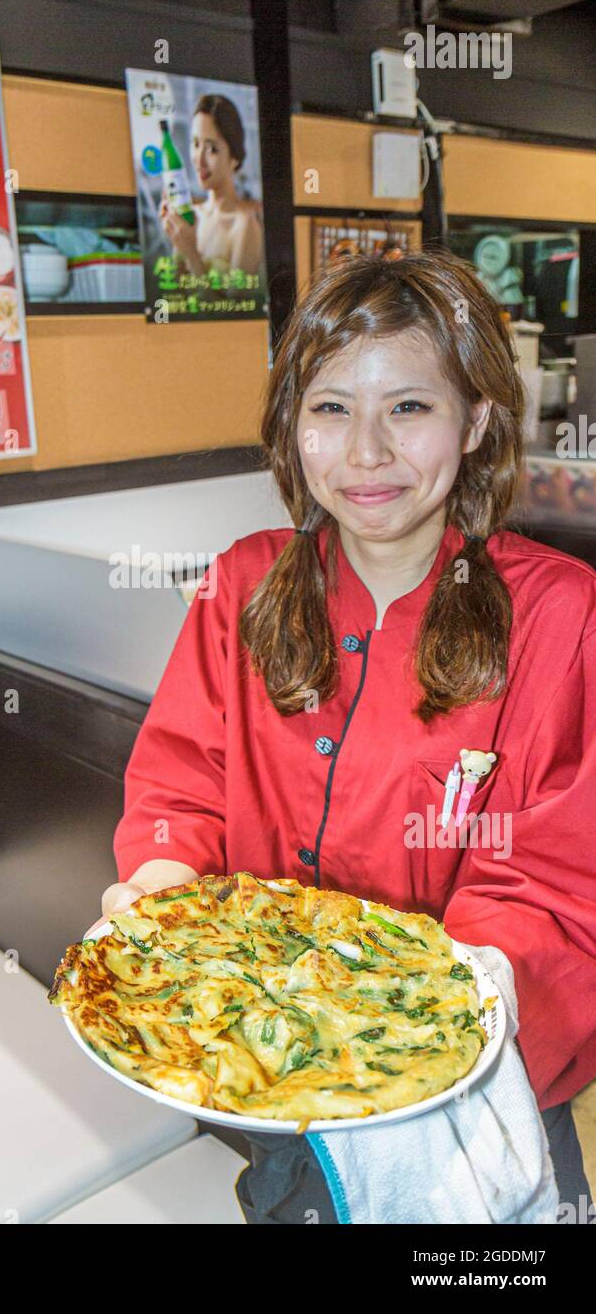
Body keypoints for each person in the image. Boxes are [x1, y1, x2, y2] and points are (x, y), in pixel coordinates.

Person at [98, 248, 596, 1223]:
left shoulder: (558, 614)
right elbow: (179, 789)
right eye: (329, 408)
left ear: (476, 420)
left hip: (472, 1106)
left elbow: (559, 880)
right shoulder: (241, 582)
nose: (364, 452)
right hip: (275, 1078)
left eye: (406, 407)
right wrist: (160, 892)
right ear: (292, 424)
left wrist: (420, 1015)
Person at [158, 93, 263, 277]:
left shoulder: (244, 225)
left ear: (235, 157)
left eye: (212, 148)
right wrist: (176, 240)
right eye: (196, 143)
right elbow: (175, 294)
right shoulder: (192, 215)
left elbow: (237, 305)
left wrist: (191, 254)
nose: (199, 159)